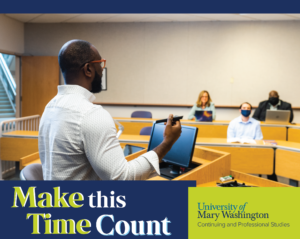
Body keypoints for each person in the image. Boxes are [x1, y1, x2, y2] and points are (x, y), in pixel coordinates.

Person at [38, 39, 181, 180]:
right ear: (88, 69)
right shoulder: (91, 115)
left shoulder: (49, 108)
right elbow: (123, 178)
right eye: (100, 63)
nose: (102, 69)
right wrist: (167, 142)